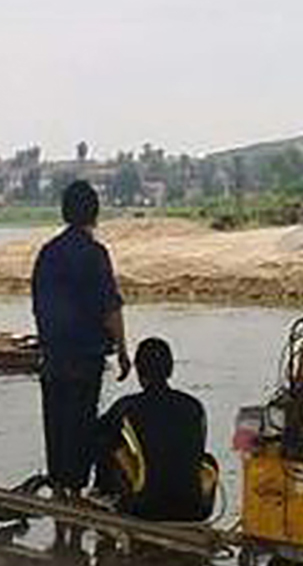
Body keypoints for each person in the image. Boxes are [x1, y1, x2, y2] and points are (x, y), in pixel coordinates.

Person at [32, 180, 131, 495]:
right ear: (94, 213)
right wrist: (124, 351)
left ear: (64, 212)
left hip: (52, 357)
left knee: (56, 426)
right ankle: (75, 493)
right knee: (81, 424)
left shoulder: (47, 254)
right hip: (86, 358)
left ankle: (59, 492)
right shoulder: (95, 254)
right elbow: (110, 307)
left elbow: (38, 305)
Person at [94, 337, 216, 521]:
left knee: (106, 439)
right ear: (170, 369)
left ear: (138, 371)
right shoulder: (194, 406)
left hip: (143, 508)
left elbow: (96, 433)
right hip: (195, 509)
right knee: (207, 460)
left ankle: (105, 493)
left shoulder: (128, 406)